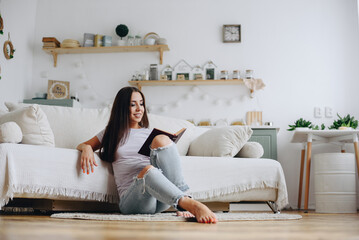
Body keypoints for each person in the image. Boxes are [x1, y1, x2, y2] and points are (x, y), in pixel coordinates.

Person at [76, 86, 217, 224]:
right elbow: (82, 145)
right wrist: (87, 148)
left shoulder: (149, 133)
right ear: (122, 107)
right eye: (133, 105)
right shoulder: (111, 132)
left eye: (141, 104)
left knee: (161, 140)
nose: (139, 109)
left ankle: (184, 197)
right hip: (132, 201)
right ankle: (192, 204)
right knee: (148, 171)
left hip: (159, 198)